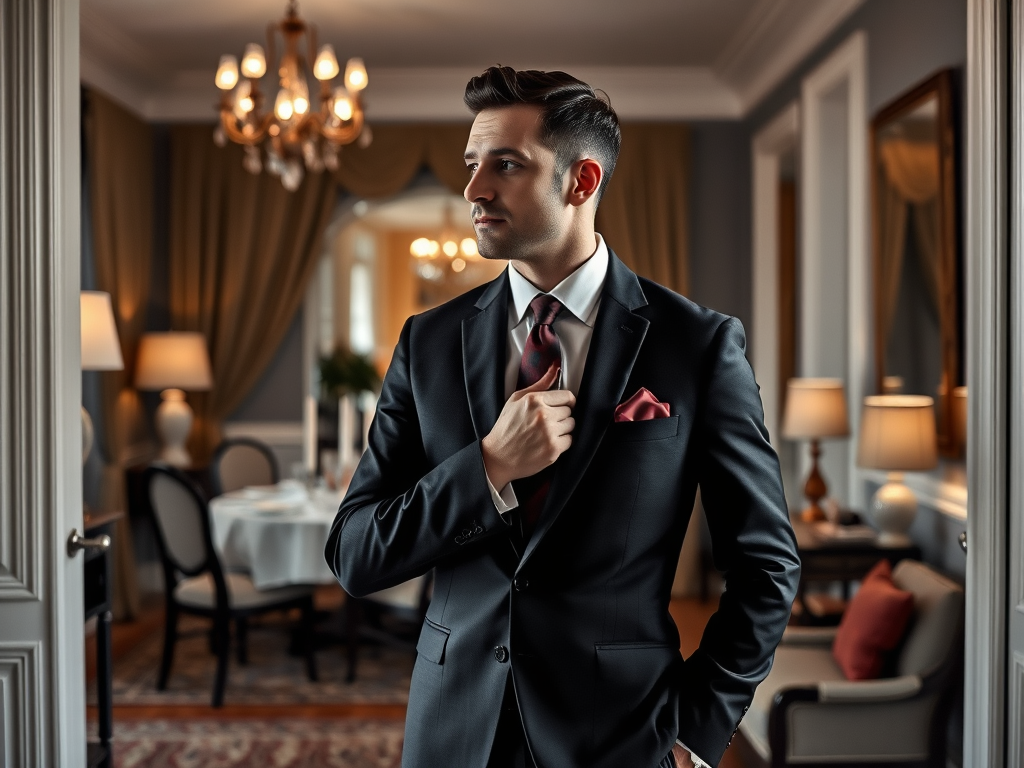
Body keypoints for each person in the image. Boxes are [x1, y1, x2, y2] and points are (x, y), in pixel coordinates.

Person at [325, 66, 800, 768]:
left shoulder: (695, 344)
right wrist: (486, 468)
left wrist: (699, 729)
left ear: (581, 182)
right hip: (453, 734)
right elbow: (356, 554)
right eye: (471, 163)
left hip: (621, 737)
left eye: (505, 164)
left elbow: (766, 565)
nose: (474, 189)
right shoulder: (427, 343)